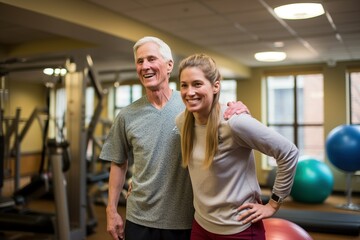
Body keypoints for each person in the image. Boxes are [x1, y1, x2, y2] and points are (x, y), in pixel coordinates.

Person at [100, 36, 250, 240]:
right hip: (139, 218)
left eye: (151, 59)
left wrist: (239, 110)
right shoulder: (127, 115)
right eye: (140, 61)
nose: (145, 66)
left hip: (186, 218)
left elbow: (223, 118)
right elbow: (118, 163)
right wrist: (111, 211)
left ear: (169, 65)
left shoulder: (191, 102)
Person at [175, 53, 299, 240]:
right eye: (184, 85)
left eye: (197, 84)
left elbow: (288, 152)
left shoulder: (234, 122)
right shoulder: (182, 122)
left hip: (238, 228)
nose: (189, 92)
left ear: (216, 86)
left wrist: (273, 204)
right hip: (201, 225)